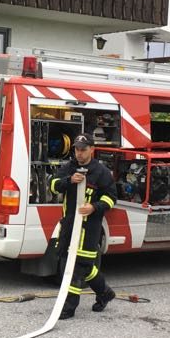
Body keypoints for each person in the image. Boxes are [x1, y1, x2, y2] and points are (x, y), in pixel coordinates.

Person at [48, 134, 117, 318]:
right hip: (69, 225)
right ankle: (105, 293)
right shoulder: (68, 168)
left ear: (92, 150)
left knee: (77, 267)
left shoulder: (101, 172)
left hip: (89, 228)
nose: (79, 153)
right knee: (76, 265)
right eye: (77, 149)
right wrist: (68, 180)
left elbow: (111, 197)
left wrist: (94, 206)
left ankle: (68, 307)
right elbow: (53, 185)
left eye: (83, 149)